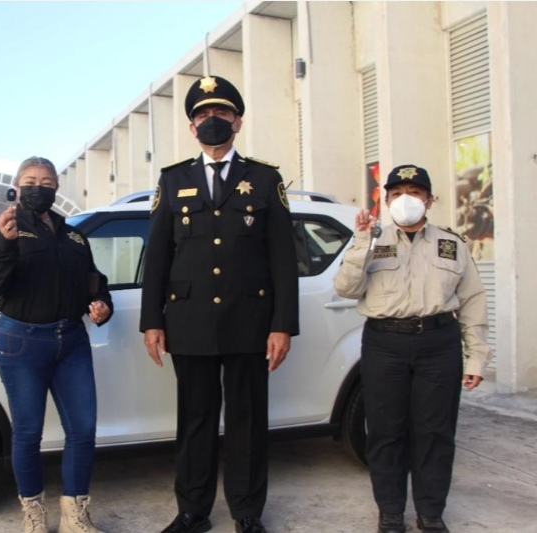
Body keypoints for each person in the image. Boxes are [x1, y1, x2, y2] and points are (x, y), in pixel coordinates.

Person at [139, 75, 299, 533]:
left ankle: (247, 513)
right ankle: (193, 511)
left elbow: (282, 260)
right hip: (189, 321)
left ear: (238, 121)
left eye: (221, 114)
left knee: (248, 422)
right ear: (192, 127)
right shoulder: (173, 180)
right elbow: (158, 258)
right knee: (195, 420)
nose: (212, 121)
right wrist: (153, 321)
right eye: (203, 115)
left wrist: (282, 324)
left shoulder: (264, 179)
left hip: (250, 320)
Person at [333, 164, 491, 533]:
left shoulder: (452, 244)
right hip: (385, 344)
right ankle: (390, 512)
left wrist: (478, 356)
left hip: (440, 343)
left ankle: (431, 513)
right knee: (387, 432)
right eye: (398, 192)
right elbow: (346, 288)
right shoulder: (371, 240)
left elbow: (473, 301)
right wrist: (361, 241)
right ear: (386, 200)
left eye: (415, 193)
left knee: (435, 432)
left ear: (430, 200)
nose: (407, 199)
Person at [0, 156, 113, 533]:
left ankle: (75, 516)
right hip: (21, 343)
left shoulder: (73, 236)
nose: (40, 187)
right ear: (17, 187)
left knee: (83, 430)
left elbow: (93, 280)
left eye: (47, 181)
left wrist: (102, 304)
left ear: (55, 188)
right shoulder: (4, 227)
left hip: (70, 341)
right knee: (28, 433)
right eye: (31, 180)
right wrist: (3, 244)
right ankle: (33, 514)